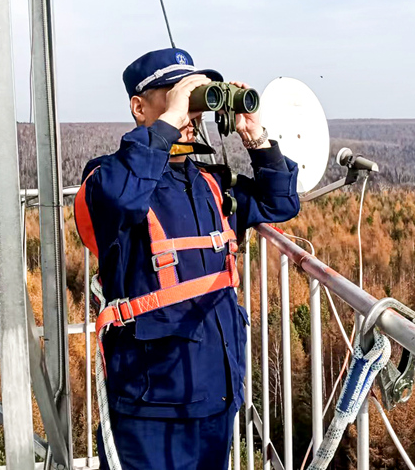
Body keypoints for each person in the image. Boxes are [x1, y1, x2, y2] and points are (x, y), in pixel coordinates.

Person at [76, 48, 300, 470]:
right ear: (139, 108)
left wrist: (255, 136)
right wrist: (170, 120)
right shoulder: (109, 179)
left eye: (196, 97)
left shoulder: (211, 185)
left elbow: (281, 202)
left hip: (216, 392)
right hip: (151, 408)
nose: (191, 111)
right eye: (176, 94)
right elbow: (121, 197)